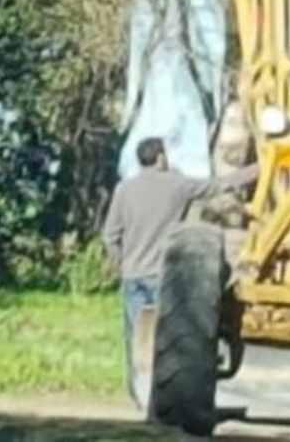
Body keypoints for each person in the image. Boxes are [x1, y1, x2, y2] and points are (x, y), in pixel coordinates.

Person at [103, 137, 258, 407]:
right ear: (161, 157)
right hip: (164, 276)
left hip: (132, 276)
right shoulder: (177, 185)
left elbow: (110, 235)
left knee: (136, 339)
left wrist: (121, 264)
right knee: (165, 341)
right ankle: (157, 397)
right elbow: (219, 185)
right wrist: (261, 167)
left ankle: (138, 397)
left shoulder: (124, 190)